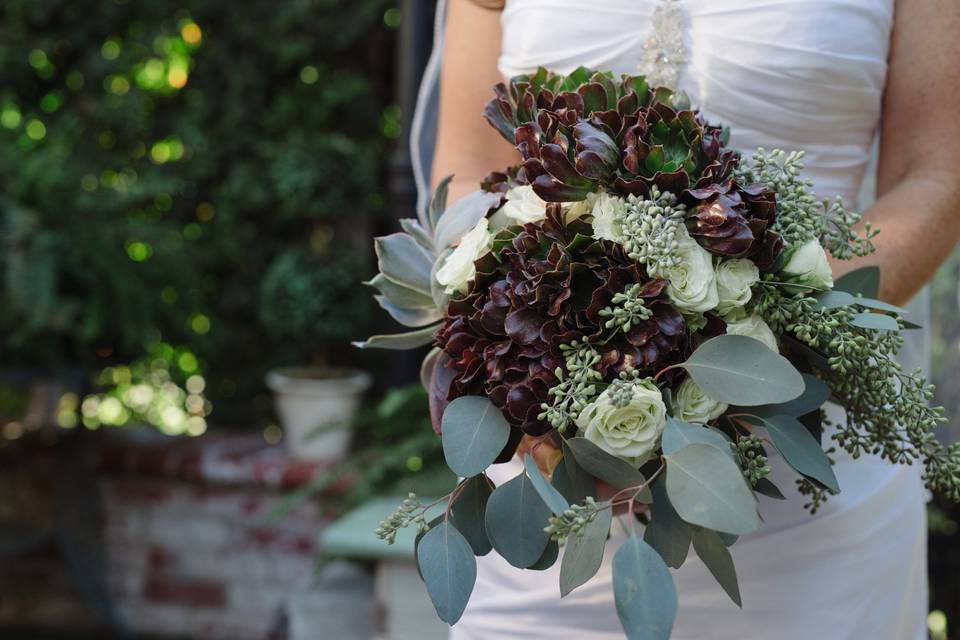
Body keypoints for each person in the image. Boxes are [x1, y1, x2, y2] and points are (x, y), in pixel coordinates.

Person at [425, 1, 960, 638]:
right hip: (550, 490)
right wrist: (552, 401)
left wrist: (751, 339)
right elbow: (465, 164)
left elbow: (936, 174)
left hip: (814, 507)